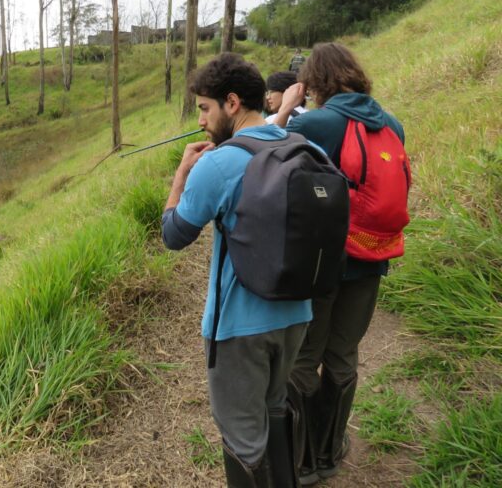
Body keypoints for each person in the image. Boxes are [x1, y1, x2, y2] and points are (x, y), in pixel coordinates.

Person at [161, 52, 312, 487]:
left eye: (205, 109)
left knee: (243, 436)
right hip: (298, 312)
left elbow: (174, 234)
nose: (203, 121)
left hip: (238, 329)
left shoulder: (218, 163)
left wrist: (182, 174)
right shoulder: (303, 146)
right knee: (275, 407)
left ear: (231, 103)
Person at [272, 42, 406, 485]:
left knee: (303, 359)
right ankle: (331, 452)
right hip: (373, 257)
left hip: (323, 262)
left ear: (316, 81)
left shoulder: (317, 122)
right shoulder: (392, 124)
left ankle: (304, 459)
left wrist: (290, 108)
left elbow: (271, 161)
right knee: (343, 356)